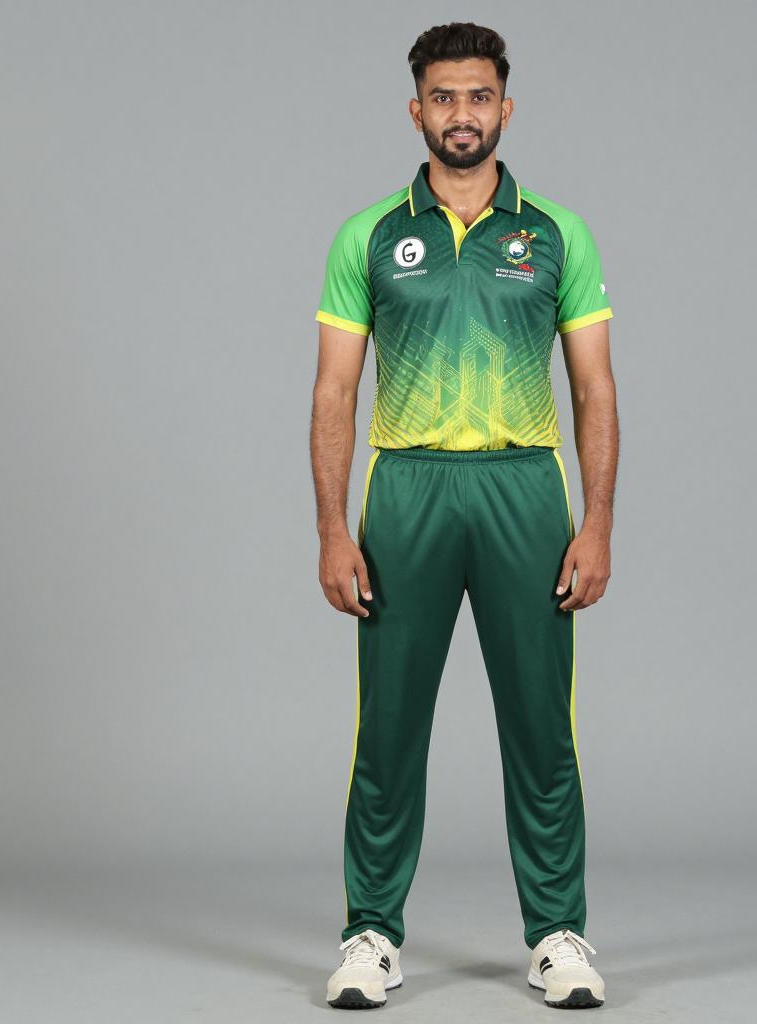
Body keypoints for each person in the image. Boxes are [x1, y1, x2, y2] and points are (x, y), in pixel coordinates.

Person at [310, 21, 619, 1011]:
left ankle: (558, 934)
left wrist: (597, 524)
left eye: (477, 96)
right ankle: (369, 934)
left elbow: (595, 390)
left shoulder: (557, 232)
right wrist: (331, 530)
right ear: (417, 110)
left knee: (541, 729)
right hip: (405, 491)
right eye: (443, 97)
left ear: (505, 109)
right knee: (389, 730)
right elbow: (333, 393)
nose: (461, 113)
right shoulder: (367, 235)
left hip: (526, 489)